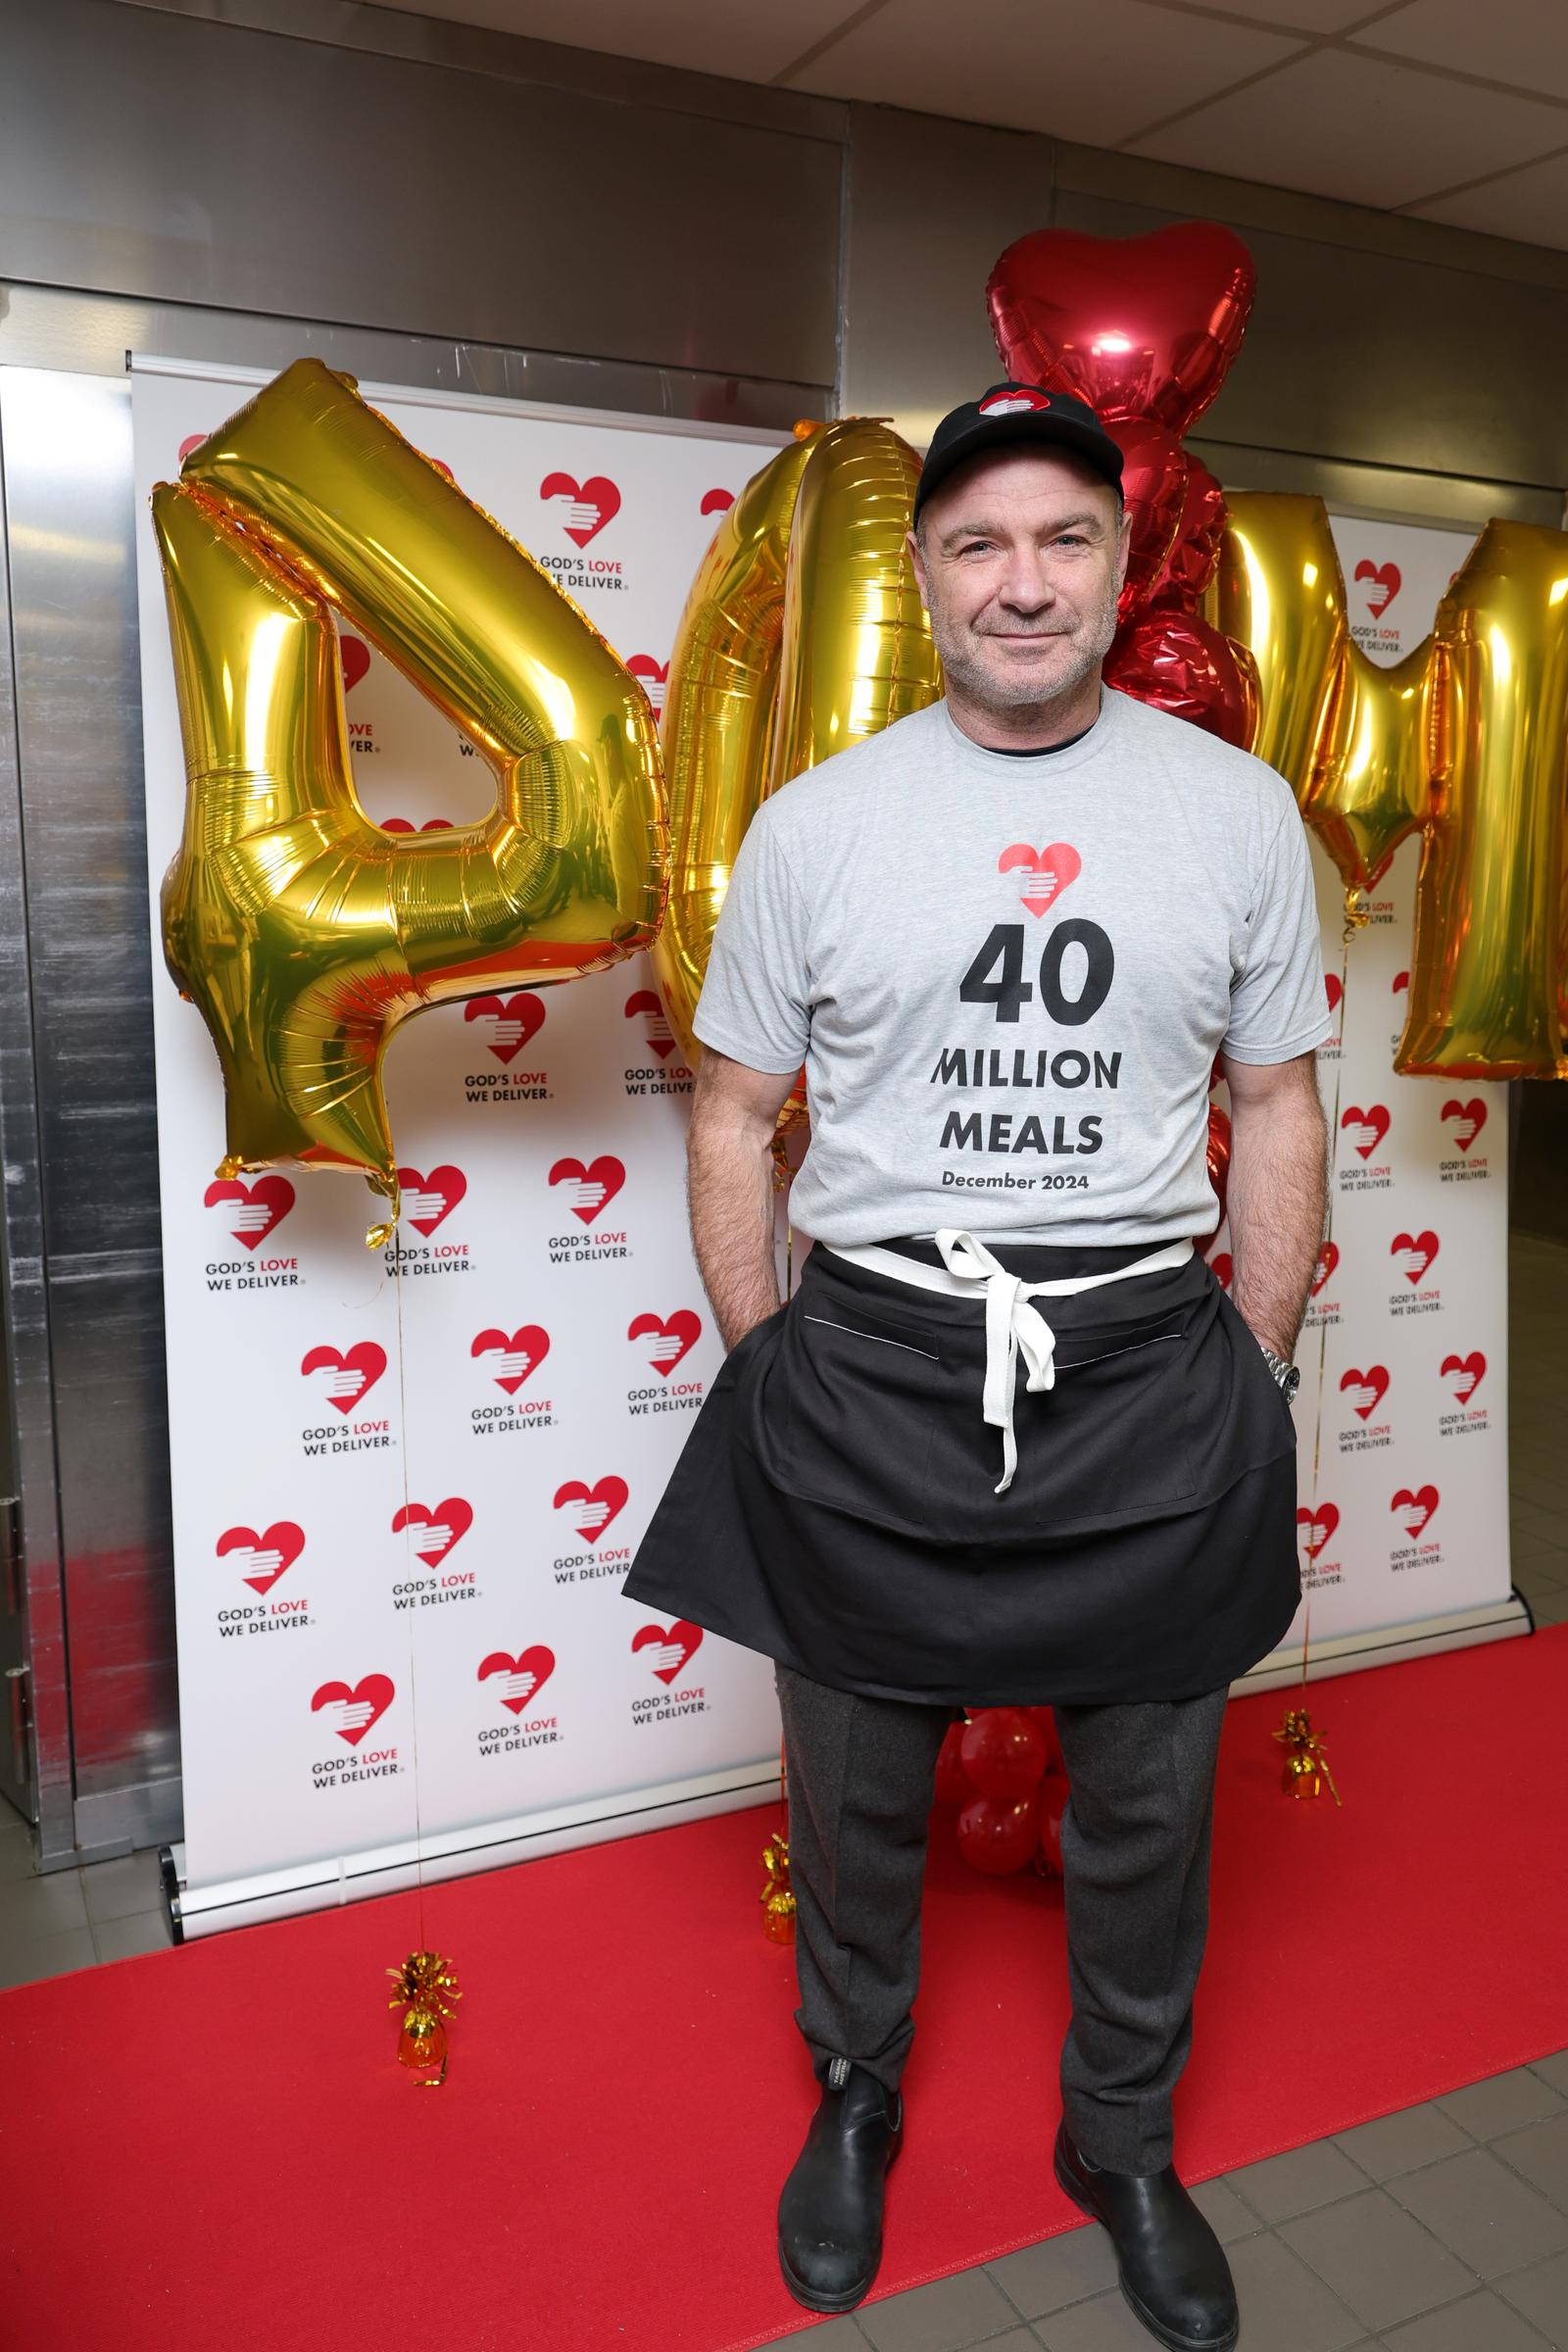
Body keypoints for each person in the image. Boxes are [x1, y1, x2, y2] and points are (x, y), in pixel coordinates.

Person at [620, 381, 1331, 2351]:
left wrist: (1249, 1364)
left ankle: (1116, 2134)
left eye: (1061, 542)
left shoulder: (1233, 816)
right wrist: (771, 1367)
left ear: (1119, 566)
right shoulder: (819, 825)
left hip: (1140, 1357)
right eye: (974, 547)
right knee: (847, 1787)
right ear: (924, 581)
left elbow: (1271, 1103)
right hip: (873, 1354)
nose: (1019, 586)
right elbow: (726, 1113)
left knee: (1149, 1799)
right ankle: (854, 2089)